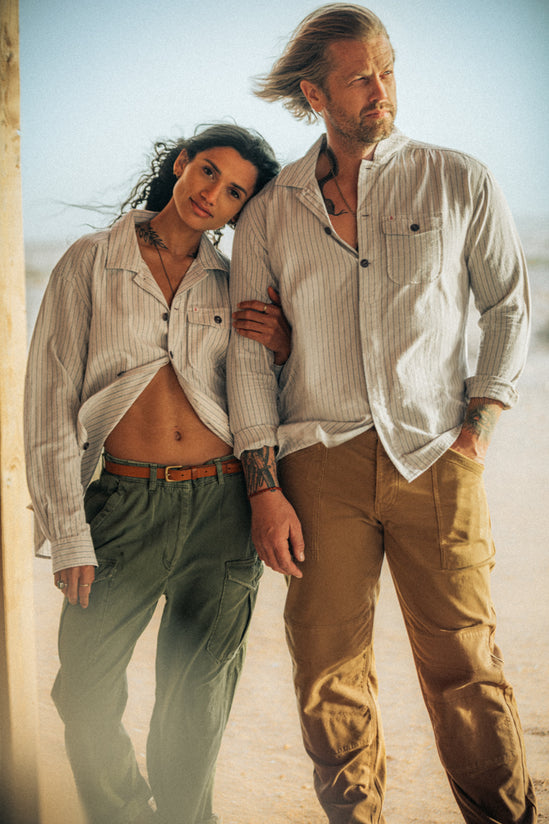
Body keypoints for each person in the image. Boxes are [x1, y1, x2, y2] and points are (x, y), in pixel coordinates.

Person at [227, 5, 537, 823]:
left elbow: (508, 306)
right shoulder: (269, 211)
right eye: (361, 77)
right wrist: (263, 485)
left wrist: (478, 426)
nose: (381, 90)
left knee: (465, 666)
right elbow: (248, 356)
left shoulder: (457, 179)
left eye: (387, 70)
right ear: (315, 94)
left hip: (435, 454)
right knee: (326, 669)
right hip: (316, 463)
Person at [24, 123, 287, 824]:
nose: (213, 194)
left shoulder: (234, 281)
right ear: (181, 165)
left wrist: (285, 346)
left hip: (223, 506)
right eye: (209, 171)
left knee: (196, 701)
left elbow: (268, 392)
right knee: (82, 692)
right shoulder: (91, 260)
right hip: (121, 504)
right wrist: (67, 532)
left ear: (241, 210)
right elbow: (49, 402)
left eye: (235, 192)